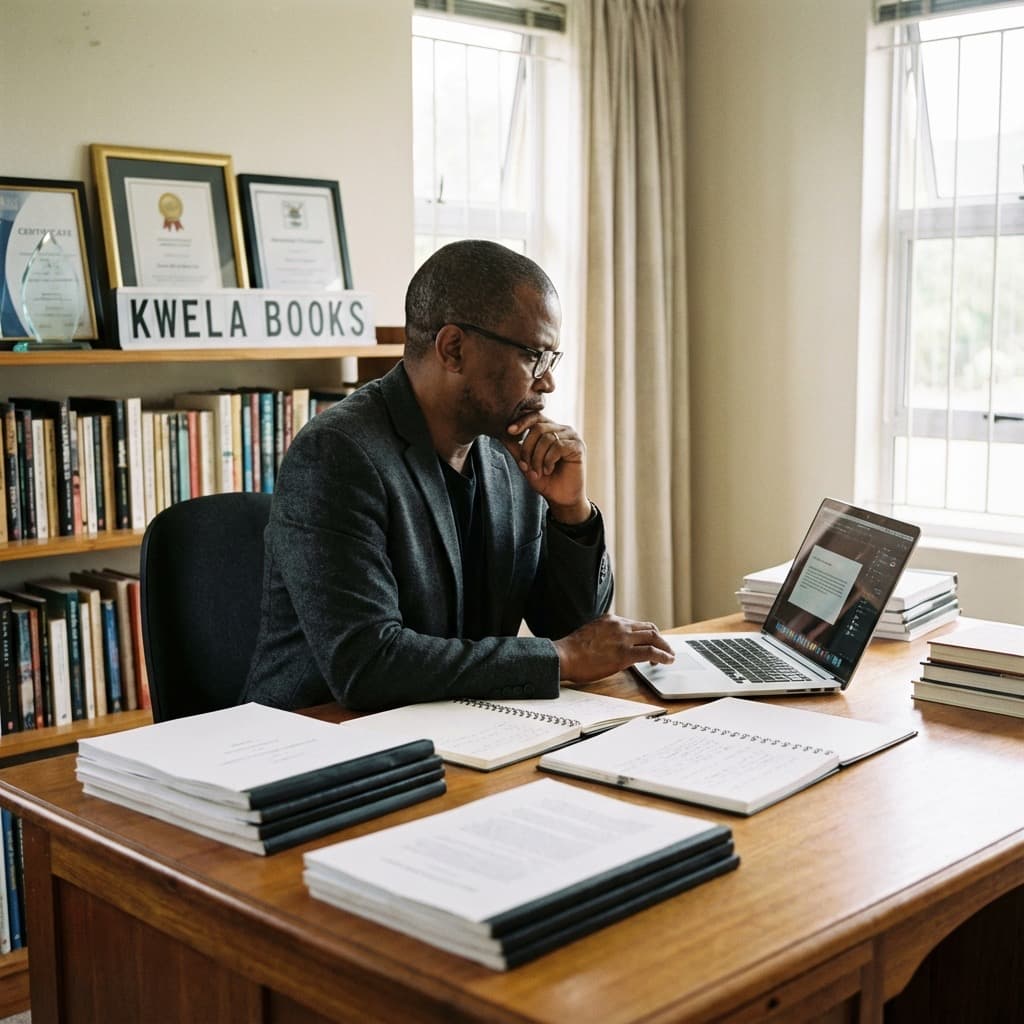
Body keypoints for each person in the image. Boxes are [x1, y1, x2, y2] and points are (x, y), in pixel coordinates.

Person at [242, 240, 674, 711]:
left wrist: (571, 511)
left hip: (460, 722)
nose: (547, 381)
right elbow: (367, 664)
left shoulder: (510, 448)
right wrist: (561, 658)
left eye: (552, 359)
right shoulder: (337, 454)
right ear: (453, 349)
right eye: (534, 355)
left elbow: (577, 630)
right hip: (324, 734)